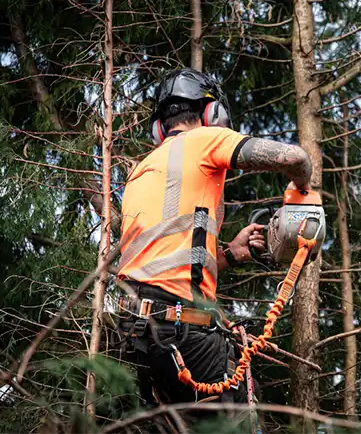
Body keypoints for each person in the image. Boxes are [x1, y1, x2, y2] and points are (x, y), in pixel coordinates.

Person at [115, 68, 312, 410]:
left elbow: (162, 264)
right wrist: (304, 191)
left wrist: (231, 254)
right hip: (178, 330)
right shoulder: (205, 139)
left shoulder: (141, 169)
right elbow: (294, 157)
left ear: (159, 126)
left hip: (134, 330)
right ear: (211, 113)